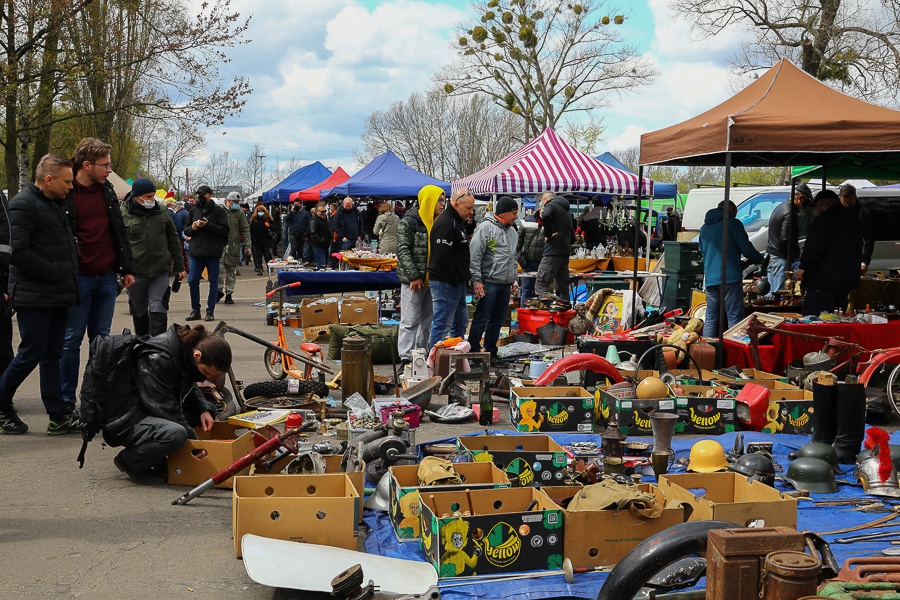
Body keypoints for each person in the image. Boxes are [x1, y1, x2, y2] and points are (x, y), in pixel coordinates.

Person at [0, 155, 79, 435]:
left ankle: (58, 416)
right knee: (30, 353)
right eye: (67, 181)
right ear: (49, 180)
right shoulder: (23, 204)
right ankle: (1, 406)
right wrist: (56, 271)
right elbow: (18, 253)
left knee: (52, 355)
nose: (71, 186)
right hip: (35, 295)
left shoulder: (52, 204)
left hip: (56, 294)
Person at [62, 138, 136, 413]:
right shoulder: (65, 191)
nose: (109, 170)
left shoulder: (106, 190)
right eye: (105, 165)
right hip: (77, 278)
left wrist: (127, 268)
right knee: (70, 341)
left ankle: (94, 400)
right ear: (86, 165)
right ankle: (66, 402)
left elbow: (118, 230)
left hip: (106, 277)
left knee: (102, 343)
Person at [109, 324, 231, 485]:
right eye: (206, 373)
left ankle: (155, 456)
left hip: (147, 410)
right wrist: (197, 444)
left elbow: (188, 383)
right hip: (126, 419)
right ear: (197, 355)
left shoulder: (184, 352)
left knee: (196, 418)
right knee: (176, 433)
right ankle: (130, 461)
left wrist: (204, 409)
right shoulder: (157, 358)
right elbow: (163, 408)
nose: (205, 378)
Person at [122, 178, 185, 337]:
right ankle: (143, 343)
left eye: (153, 195)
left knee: (158, 307)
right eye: (148, 196)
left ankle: (159, 347)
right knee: (139, 309)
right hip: (135, 272)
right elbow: (118, 243)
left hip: (160, 270)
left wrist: (179, 266)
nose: (152, 199)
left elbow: (173, 239)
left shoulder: (162, 212)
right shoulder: (122, 213)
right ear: (137, 197)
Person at [699, 199, 764, 337]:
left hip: (710, 278)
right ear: (731, 211)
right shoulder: (733, 223)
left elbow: (704, 252)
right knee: (734, 317)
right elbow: (746, 249)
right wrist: (760, 259)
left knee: (711, 318)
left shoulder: (704, 228)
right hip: (729, 277)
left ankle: (707, 353)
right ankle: (735, 352)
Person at [396, 186, 444, 363]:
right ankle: (406, 358)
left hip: (433, 281)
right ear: (429, 200)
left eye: (443, 200)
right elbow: (402, 249)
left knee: (427, 321)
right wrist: (413, 275)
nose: (442, 204)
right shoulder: (409, 221)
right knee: (409, 321)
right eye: (439, 200)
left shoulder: (440, 222)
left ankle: (421, 356)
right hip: (414, 281)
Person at [468, 196, 518, 365]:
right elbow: (475, 256)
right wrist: (477, 280)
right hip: (488, 282)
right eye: (514, 213)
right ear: (503, 213)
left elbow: (513, 257)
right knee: (481, 318)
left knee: (497, 320)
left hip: (504, 283)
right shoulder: (485, 229)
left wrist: (514, 279)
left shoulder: (512, 232)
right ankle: (474, 353)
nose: (516, 216)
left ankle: (491, 352)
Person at [797, 189, 863, 315]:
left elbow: (815, 247)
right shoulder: (854, 219)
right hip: (847, 281)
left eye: (816, 205)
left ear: (823, 203)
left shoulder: (824, 220)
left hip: (823, 282)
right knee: (840, 321)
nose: (815, 209)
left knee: (815, 321)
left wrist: (803, 266)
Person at [429, 188, 475, 348]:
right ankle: (433, 362)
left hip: (456, 282)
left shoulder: (456, 222)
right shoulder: (446, 224)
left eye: (472, 208)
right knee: (442, 325)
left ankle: (455, 357)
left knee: (461, 323)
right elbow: (442, 258)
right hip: (446, 282)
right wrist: (454, 278)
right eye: (468, 208)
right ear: (456, 205)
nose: (471, 212)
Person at [183, 185, 229, 322]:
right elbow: (186, 230)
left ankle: (210, 311)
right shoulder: (193, 210)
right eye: (199, 194)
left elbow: (224, 230)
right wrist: (193, 227)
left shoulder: (218, 211)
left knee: (213, 282)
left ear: (210, 195)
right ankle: (195, 310)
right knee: (192, 281)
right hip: (196, 251)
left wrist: (207, 225)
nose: (200, 197)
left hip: (212, 251)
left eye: (203, 194)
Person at [765, 182, 812, 296]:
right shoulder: (790, 212)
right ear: (800, 197)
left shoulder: (781, 207)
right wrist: (796, 255)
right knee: (780, 294)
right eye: (806, 200)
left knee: (773, 294)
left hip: (773, 255)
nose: (807, 204)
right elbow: (785, 239)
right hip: (781, 258)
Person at [529, 191, 574, 310]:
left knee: (541, 280)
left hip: (552, 250)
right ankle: (564, 305)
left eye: (542, 201)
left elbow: (547, 215)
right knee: (562, 281)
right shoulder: (566, 212)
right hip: (564, 250)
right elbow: (573, 236)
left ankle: (541, 306)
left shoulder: (551, 205)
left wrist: (548, 234)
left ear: (545, 200)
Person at [218, 191, 251, 305]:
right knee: (219, 271)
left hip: (233, 246)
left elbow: (245, 229)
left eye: (238, 202)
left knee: (231, 272)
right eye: (235, 202)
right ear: (228, 200)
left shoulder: (239, 213)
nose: (237, 204)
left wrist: (248, 246)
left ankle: (229, 294)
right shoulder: (219, 210)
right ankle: (218, 291)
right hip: (220, 246)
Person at [839, 183, 874, 275]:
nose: (847, 205)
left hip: (853, 257)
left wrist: (865, 261)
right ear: (839, 198)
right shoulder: (837, 211)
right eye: (844, 202)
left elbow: (869, 239)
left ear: (855, 197)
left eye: (850, 202)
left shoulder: (863, 214)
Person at [516, 206, 545, 306]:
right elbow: (518, 240)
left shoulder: (552, 221)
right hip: (530, 261)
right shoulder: (527, 221)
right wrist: (517, 256)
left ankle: (536, 317)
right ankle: (524, 315)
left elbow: (518, 240)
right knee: (527, 290)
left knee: (539, 292)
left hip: (542, 262)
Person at [249, 204, 277, 275]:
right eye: (259, 211)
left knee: (267, 254)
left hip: (266, 240)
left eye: (262, 211)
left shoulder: (268, 218)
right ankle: (260, 269)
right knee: (258, 255)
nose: (260, 212)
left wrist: (269, 225)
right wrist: (252, 240)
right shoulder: (254, 219)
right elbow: (251, 229)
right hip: (257, 240)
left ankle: (269, 268)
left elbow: (274, 227)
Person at [308, 201, 333, 269]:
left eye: (325, 211)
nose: (324, 213)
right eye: (322, 211)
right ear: (317, 211)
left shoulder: (324, 219)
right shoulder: (314, 220)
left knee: (324, 264)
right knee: (321, 264)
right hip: (318, 245)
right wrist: (321, 240)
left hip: (325, 244)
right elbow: (312, 232)